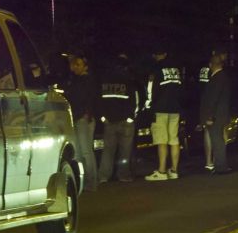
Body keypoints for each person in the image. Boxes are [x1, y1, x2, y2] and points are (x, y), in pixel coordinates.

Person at [98, 53, 139, 183]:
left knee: (108, 151)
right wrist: (131, 117)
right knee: (125, 151)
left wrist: (103, 117)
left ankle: (104, 176)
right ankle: (123, 175)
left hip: (109, 121)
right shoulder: (128, 80)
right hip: (125, 121)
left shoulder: (105, 80)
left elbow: (99, 100)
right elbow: (135, 100)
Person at [63, 54, 100, 191]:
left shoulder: (87, 80)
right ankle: (83, 181)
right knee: (79, 153)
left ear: (85, 65)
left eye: (78, 64)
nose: (75, 67)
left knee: (85, 152)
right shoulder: (76, 80)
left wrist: (87, 114)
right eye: (74, 65)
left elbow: (91, 98)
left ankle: (91, 182)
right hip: (78, 118)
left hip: (84, 118)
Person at [145, 47, 183, 181]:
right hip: (175, 108)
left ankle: (161, 171)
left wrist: (149, 106)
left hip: (160, 109)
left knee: (161, 140)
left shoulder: (156, 69)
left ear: (155, 55)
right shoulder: (176, 70)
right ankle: (174, 170)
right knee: (174, 140)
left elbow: (150, 90)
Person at [199, 48, 232, 175]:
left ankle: (220, 166)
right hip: (222, 114)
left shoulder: (216, 79)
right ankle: (221, 164)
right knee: (220, 140)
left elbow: (212, 99)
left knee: (216, 140)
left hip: (216, 116)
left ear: (211, 65)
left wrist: (209, 116)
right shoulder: (224, 77)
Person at [197, 60, 213, 170]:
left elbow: (200, 87)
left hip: (204, 103)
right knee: (218, 131)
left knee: (207, 131)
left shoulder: (202, 69)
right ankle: (217, 161)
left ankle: (208, 161)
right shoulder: (217, 70)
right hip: (214, 103)